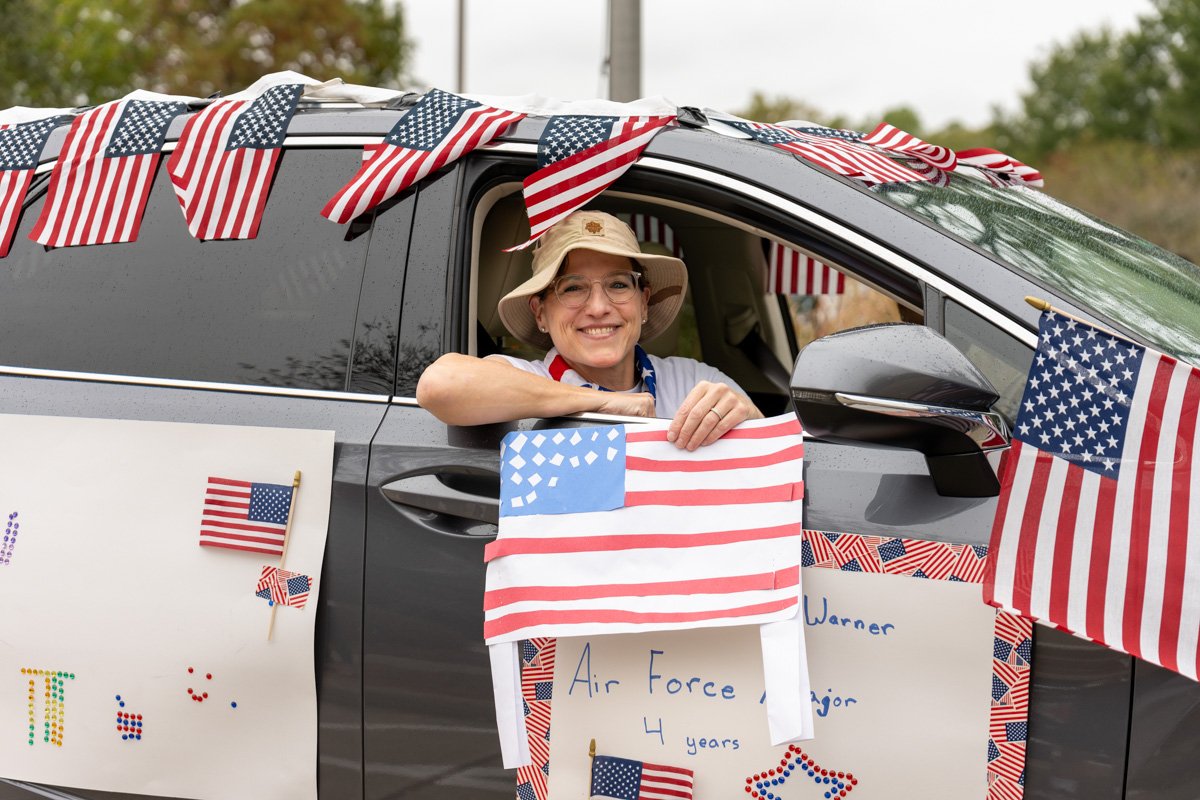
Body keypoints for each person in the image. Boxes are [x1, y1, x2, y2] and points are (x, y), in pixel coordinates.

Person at [416, 211, 761, 450]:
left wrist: (744, 414)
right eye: (572, 288)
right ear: (541, 314)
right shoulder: (521, 378)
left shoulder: (692, 381)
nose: (598, 307)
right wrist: (605, 404)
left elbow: (777, 458)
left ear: (643, 303)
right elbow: (439, 386)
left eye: (618, 285)